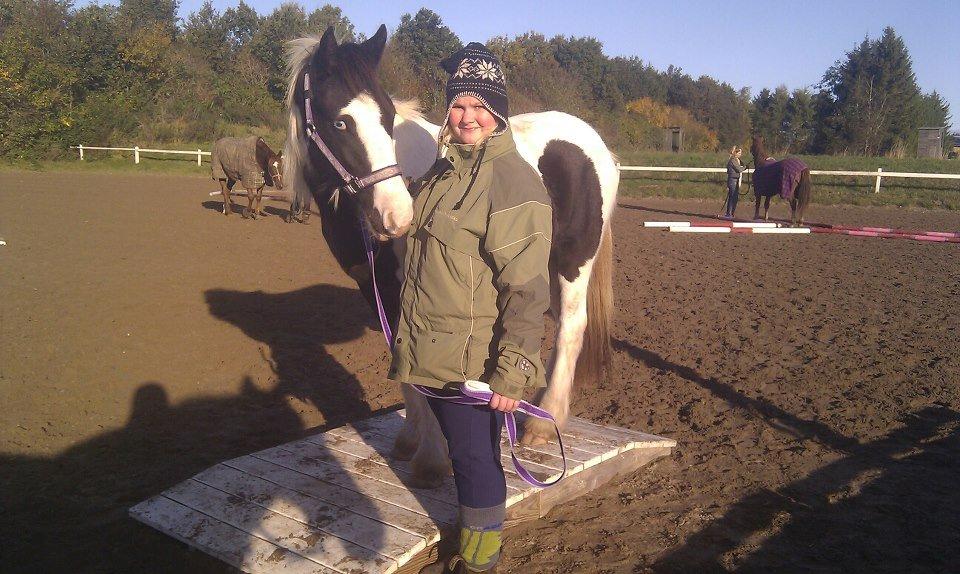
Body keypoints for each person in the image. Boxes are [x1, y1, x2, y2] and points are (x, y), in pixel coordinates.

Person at [387, 42, 552, 573]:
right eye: (458, 104)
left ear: (497, 113)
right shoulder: (442, 171)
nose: (467, 116)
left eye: (480, 106)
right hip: (433, 350)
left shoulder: (513, 182)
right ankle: (474, 550)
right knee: (465, 457)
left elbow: (528, 291)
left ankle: (480, 563)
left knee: (476, 459)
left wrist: (513, 372)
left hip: (473, 363)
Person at [725, 145, 748, 218]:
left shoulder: (736, 160)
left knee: (735, 197)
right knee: (732, 197)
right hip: (732, 181)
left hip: (736, 180)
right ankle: (729, 213)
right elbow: (739, 169)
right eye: (739, 153)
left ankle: (732, 213)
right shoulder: (733, 160)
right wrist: (745, 167)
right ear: (735, 153)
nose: (740, 154)